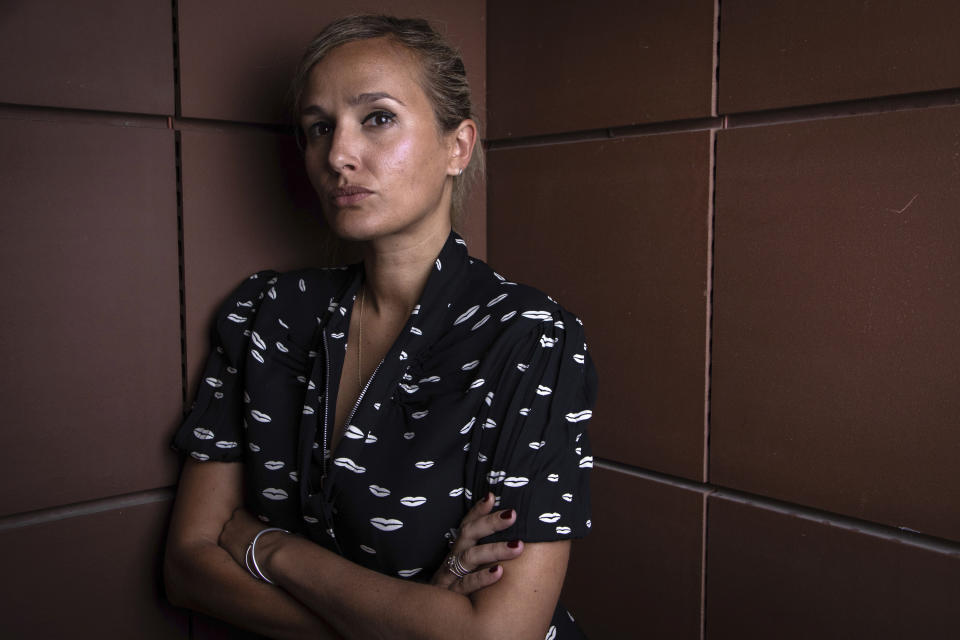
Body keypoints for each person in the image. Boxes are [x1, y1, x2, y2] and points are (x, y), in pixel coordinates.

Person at [164, 15, 597, 640]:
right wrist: (409, 623)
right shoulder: (267, 313)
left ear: (458, 145)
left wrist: (270, 549)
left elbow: (495, 635)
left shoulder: (531, 338)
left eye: (378, 118)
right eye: (319, 128)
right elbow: (188, 565)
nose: (337, 155)